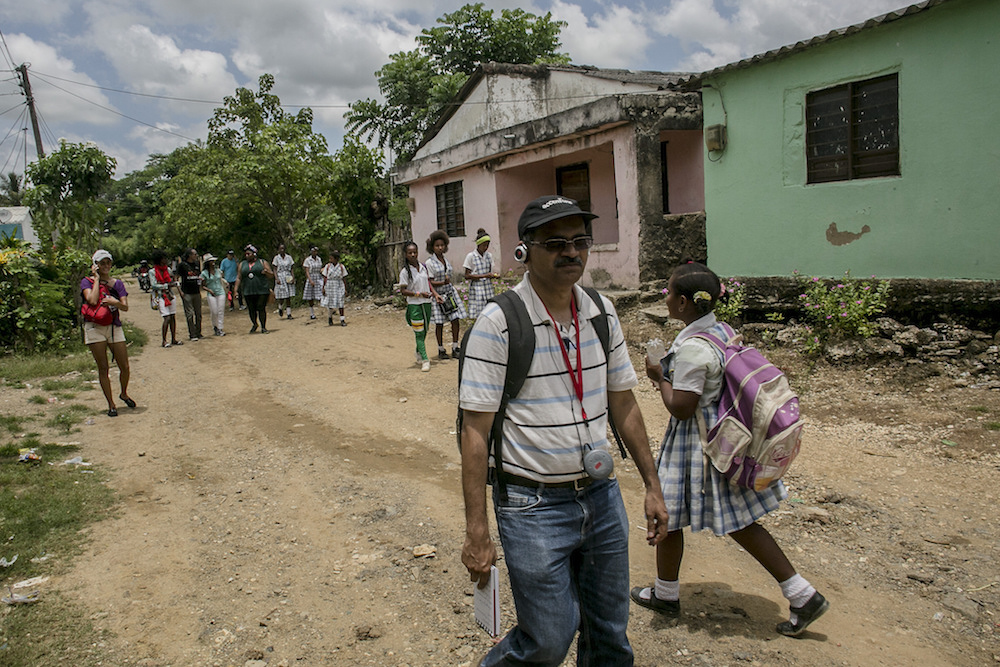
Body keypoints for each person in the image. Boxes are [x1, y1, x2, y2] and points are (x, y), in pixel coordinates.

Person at [460, 196, 669, 666]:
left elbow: (624, 402)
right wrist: (477, 529)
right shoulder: (498, 323)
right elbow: (475, 431)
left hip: (601, 495)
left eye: (580, 241)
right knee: (549, 638)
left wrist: (653, 486)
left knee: (610, 636)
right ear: (525, 252)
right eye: (555, 243)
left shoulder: (600, 311)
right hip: (532, 506)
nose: (571, 252)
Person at [630, 261, 829, 637]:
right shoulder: (720, 331)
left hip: (698, 445)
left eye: (669, 293)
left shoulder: (692, 349)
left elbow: (682, 407)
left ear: (685, 302)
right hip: (723, 440)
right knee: (736, 521)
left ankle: (668, 595)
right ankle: (798, 593)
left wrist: (659, 377)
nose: (667, 298)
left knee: (668, 512)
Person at [81, 250, 135, 417]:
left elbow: (125, 307)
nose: (105, 266)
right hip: (94, 327)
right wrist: (97, 279)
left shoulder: (117, 284)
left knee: (124, 366)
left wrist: (114, 302)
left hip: (113, 326)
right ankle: (111, 404)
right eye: (101, 263)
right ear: (96, 265)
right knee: (103, 367)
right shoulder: (87, 282)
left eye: (108, 263)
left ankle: (123, 393)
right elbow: (91, 299)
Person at [425, 229, 466, 360]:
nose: (440, 247)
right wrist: (442, 283)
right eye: (437, 246)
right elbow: (430, 282)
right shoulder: (430, 263)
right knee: (439, 323)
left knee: (455, 319)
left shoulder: (446, 260)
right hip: (438, 295)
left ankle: (455, 347)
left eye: (442, 245)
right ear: (432, 247)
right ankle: (441, 349)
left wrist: (448, 283)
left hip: (449, 293)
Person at [398, 241, 436, 372]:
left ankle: (418, 351)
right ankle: (425, 360)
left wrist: (435, 295)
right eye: (410, 253)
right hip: (414, 305)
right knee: (419, 333)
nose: (413, 255)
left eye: (415, 252)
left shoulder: (424, 267)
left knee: (425, 330)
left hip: (426, 304)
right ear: (405, 254)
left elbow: (429, 283)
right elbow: (403, 291)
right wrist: (419, 294)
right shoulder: (404, 272)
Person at [234, 244, 274, 334]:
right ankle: (254, 324)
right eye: (246, 254)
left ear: (254, 254)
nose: (247, 255)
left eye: (249, 254)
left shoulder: (262, 262)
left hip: (261, 290)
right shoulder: (242, 264)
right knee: (251, 309)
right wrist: (236, 290)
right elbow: (239, 278)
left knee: (261, 307)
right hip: (248, 291)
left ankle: (263, 327)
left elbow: (271, 275)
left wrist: (267, 272)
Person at [463, 228, 498, 320]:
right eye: (484, 245)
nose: (486, 247)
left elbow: (490, 272)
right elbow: (467, 275)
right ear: (478, 244)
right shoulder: (471, 256)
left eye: (487, 245)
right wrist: (484, 276)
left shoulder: (489, 256)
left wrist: (494, 276)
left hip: (488, 288)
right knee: (478, 315)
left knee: (490, 313)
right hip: (477, 289)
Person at [150, 249, 182, 347]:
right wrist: (165, 286)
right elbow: (154, 285)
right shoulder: (152, 272)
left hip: (170, 295)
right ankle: (164, 340)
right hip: (160, 296)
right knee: (166, 318)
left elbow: (171, 279)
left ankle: (173, 339)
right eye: (164, 258)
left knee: (172, 317)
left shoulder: (167, 269)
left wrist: (171, 284)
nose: (166, 260)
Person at [176, 248, 203, 341]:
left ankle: (198, 332)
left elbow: (198, 275)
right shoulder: (182, 265)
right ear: (189, 255)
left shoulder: (196, 264)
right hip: (187, 292)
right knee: (190, 314)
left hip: (196, 291)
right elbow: (176, 278)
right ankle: (192, 334)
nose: (196, 256)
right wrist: (180, 291)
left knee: (198, 314)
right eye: (194, 254)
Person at [201, 253, 227, 336]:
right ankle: (215, 325)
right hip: (211, 294)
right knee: (214, 311)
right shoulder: (204, 273)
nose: (213, 262)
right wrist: (209, 290)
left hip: (220, 292)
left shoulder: (218, 270)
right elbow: (202, 285)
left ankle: (220, 328)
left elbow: (221, 279)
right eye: (210, 261)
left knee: (220, 310)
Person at [321, 250, 348, 326]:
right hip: (330, 285)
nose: (330, 260)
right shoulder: (328, 266)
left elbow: (344, 278)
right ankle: (330, 318)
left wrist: (345, 289)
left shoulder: (341, 267)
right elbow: (325, 277)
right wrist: (323, 288)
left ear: (336, 259)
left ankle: (342, 319)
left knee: (340, 302)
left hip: (339, 285)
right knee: (330, 302)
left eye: (331, 258)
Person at [272, 243, 296, 319]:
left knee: (288, 295)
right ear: (278, 250)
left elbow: (291, 268)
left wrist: (293, 277)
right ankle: (280, 306)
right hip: (280, 275)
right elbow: (275, 269)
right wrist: (276, 278)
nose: (282, 250)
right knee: (282, 295)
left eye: (283, 248)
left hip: (288, 275)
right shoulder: (276, 258)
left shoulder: (289, 257)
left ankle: (289, 313)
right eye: (281, 249)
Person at [301, 246, 324, 320]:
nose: (315, 252)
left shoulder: (319, 259)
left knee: (322, 293)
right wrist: (310, 280)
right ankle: (312, 313)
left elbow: (320, 269)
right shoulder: (308, 260)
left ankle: (329, 308)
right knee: (310, 296)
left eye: (316, 251)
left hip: (318, 277)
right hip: (311, 277)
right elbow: (307, 271)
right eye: (314, 251)